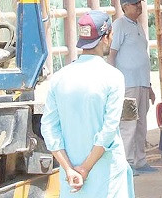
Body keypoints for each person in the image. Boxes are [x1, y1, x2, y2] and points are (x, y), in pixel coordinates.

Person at [41, 10, 134, 198]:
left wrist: (69, 169)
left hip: (72, 181)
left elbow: (49, 129)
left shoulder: (59, 78)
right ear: (107, 37)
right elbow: (108, 130)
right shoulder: (113, 77)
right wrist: (85, 168)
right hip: (106, 176)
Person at [107, 0, 156, 175]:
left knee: (141, 125)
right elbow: (112, 54)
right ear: (125, 7)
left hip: (142, 83)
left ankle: (140, 161)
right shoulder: (119, 25)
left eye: (139, 3)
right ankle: (126, 164)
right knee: (128, 125)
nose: (139, 6)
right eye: (134, 4)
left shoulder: (139, 26)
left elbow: (142, 57)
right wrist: (113, 82)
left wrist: (149, 87)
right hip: (127, 85)